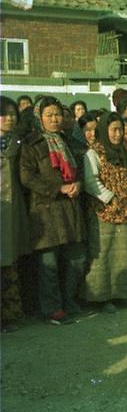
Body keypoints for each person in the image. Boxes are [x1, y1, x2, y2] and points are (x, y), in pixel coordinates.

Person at [19, 96, 86, 324]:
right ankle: (52, 308)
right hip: (46, 210)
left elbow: (80, 170)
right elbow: (27, 177)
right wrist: (58, 188)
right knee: (49, 264)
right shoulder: (31, 144)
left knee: (76, 260)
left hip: (70, 207)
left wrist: (78, 184)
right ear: (39, 117)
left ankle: (69, 301)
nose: (55, 119)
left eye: (57, 114)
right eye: (49, 115)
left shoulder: (67, 141)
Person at [82, 112, 127, 313]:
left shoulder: (122, 152)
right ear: (104, 131)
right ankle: (100, 297)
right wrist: (110, 197)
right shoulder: (94, 153)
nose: (117, 133)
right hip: (103, 211)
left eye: (120, 129)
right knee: (103, 254)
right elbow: (91, 181)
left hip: (124, 211)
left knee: (122, 254)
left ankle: (121, 294)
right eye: (114, 129)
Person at [1, 96, 31, 332]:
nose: (10, 118)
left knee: (9, 261)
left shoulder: (18, 143)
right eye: (5, 114)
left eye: (13, 114)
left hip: (12, 209)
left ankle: (10, 315)